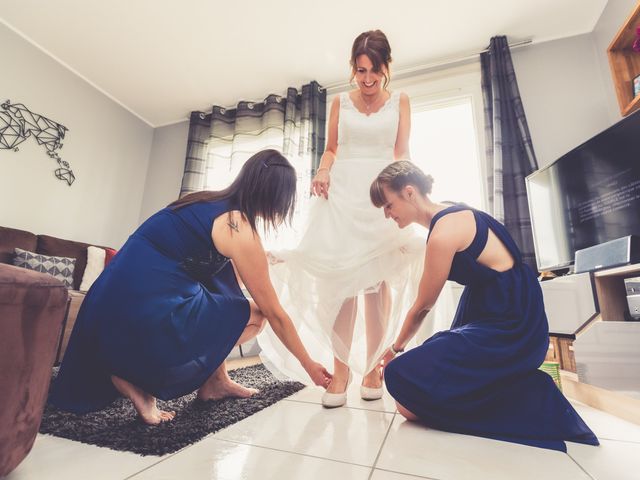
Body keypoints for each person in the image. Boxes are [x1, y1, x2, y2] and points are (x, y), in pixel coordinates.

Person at [50, 149, 332, 425]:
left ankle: (216, 382)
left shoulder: (203, 202)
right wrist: (309, 365)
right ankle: (139, 378)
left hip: (104, 304)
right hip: (140, 314)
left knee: (223, 294)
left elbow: (228, 282)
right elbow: (274, 311)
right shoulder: (238, 226)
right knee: (257, 316)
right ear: (277, 198)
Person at [259, 30, 444, 408]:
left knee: (377, 284)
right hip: (342, 194)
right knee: (344, 281)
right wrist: (323, 171)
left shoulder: (401, 102)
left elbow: (400, 151)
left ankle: (374, 366)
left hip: (381, 198)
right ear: (353, 69)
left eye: (374, 71)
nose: (368, 79)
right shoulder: (340, 101)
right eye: (361, 71)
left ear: (386, 68)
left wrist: (411, 197)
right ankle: (341, 369)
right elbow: (331, 149)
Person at [369, 160, 599, 451]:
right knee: (408, 402)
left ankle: (533, 399)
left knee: (398, 375)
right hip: (495, 310)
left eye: (388, 205)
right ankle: (514, 390)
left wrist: (393, 350)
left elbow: (423, 306)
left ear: (410, 192)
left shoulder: (443, 235)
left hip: (511, 324)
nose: (388, 214)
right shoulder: (451, 211)